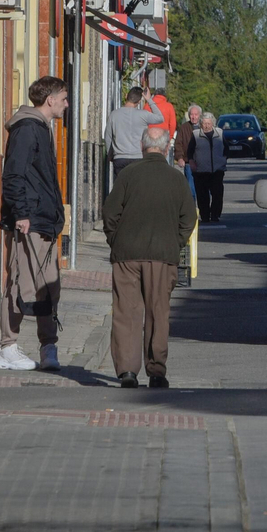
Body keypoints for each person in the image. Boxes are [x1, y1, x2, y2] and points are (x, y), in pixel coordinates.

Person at [103, 125, 197, 388]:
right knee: (158, 312)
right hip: (162, 256)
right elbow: (189, 218)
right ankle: (156, 371)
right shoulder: (176, 178)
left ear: (142, 147)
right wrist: (174, 243)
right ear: (167, 149)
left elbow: (110, 213)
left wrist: (116, 240)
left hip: (127, 255)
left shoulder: (128, 174)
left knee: (126, 312)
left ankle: (127, 372)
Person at [0, 75, 69, 372]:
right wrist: (22, 214)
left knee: (48, 287)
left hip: (45, 222)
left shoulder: (41, 128)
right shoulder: (27, 129)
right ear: (49, 99)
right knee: (21, 284)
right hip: (29, 222)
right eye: (64, 98)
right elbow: (14, 175)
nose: (66, 104)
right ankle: (8, 346)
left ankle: (47, 346)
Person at [108, 87, 160, 175]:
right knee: (137, 187)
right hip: (138, 157)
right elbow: (160, 118)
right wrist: (149, 100)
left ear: (126, 96)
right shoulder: (143, 114)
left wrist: (110, 156)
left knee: (123, 186)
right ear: (139, 101)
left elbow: (108, 137)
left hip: (120, 158)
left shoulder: (114, 115)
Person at [190, 112, 228, 223]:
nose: (207, 125)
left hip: (217, 169)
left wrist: (224, 159)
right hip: (201, 170)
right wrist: (192, 162)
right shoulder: (196, 134)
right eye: (204, 123)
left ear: (213, 123)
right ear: (201, 124)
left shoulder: (220, 133)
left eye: (209, 123)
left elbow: (226, 148)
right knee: (202, 195)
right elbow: (190, 151)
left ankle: (215, 215)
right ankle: (205, 216)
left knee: (217, 194)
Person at [174, 104, 202, 195]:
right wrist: (180, 158)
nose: (193, 117)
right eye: (191, 114)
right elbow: (178, 144)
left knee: (203, 189)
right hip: (188, 161)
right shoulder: (183, 128)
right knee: (190, 189)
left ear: (200, 115)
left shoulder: (204, 126)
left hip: (203, 162)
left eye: (196, 114)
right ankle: (192, 207)